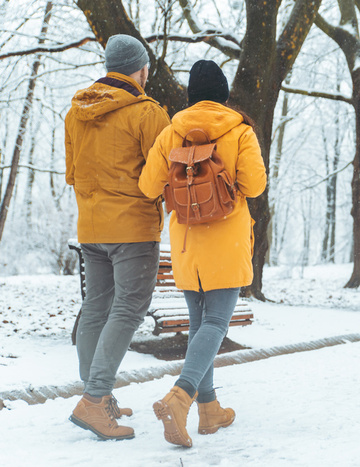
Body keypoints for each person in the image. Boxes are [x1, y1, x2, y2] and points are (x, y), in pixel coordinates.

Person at [139, 60, 266, 448]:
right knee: (216, 324)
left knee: (200, 326)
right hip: (226, 241)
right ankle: (181, 397)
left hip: (187, 243)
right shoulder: (240, 130)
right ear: (224, 94)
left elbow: (148, 186)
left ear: (191, 95)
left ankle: (209, 410)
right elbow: (255, 185)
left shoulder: (171, 133)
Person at [64, 34, 170, 440]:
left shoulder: (77, 112)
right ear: (140, 69)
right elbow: (159, 175)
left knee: (96, 307)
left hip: (91, 227)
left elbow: (72, 173)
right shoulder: (147, 112)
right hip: (133, 228)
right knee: (128, 308)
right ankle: (94, 401)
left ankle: (97, 395)